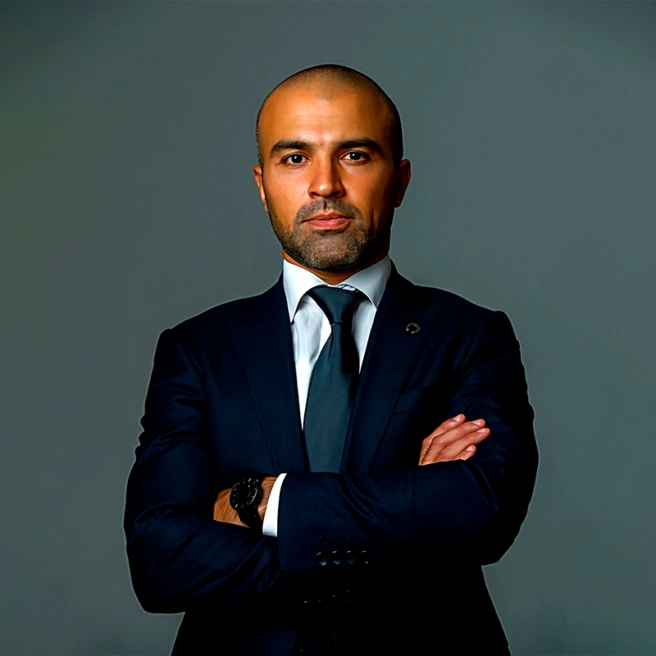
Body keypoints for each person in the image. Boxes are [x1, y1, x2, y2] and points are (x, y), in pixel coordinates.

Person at [123, 64, 538, 656]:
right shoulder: (198, 350)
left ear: (400, 180)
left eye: (355, 155)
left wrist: (260, 501)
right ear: (262, 183)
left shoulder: (470, 336)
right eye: (295, 158)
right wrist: (400, 532)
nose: (324, 185)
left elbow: (480, 510)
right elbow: (159, 560)